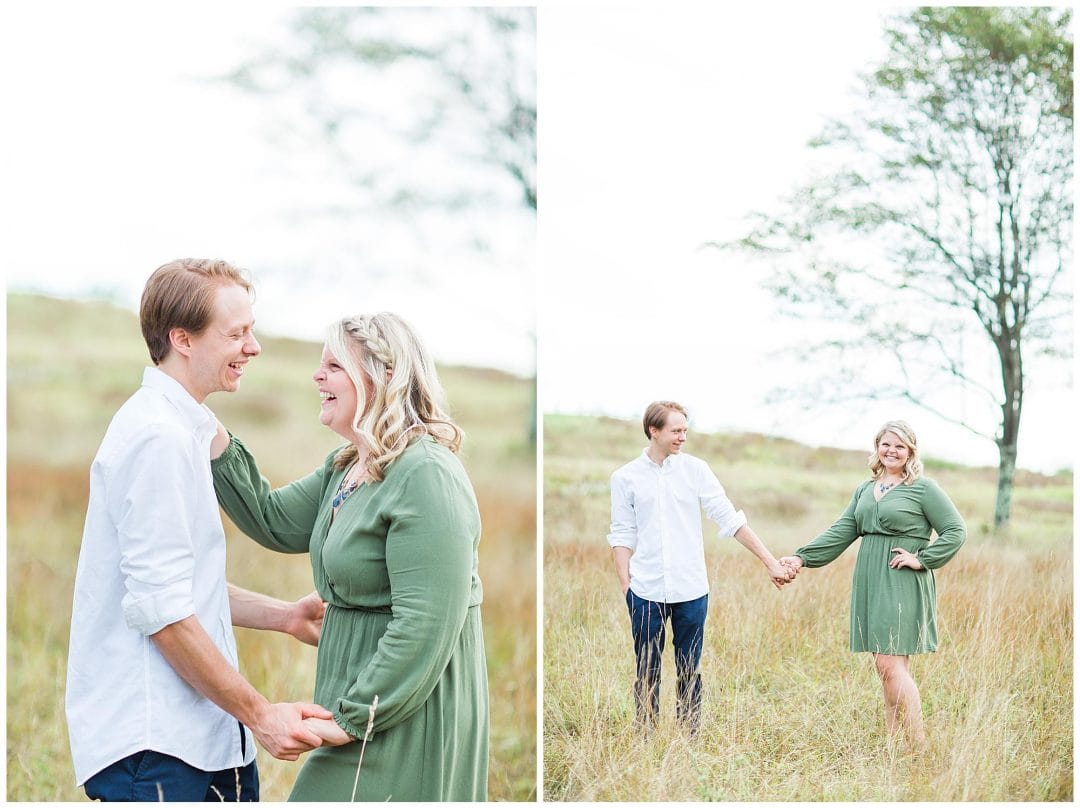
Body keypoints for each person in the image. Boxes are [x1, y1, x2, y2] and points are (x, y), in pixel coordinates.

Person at [65, 258, 332, 802]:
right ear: (182, 339)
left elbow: (179, 586)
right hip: (156, 750)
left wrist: (283, 616)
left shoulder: (186, 428)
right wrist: (262, 715)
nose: (253, 347)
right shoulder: (156, 438)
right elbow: (163, 613)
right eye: (236, 333)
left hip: (202, 741)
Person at [210, 312, 488, 801]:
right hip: (360, 699)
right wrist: (203, 427)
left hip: (408, 706)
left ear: (381, 377)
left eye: (334, 365)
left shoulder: (426, 474)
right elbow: (273, 519)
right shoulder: (347, 467)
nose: (317, 377)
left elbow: (425, 623)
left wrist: (354, 717)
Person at [608, 400, 793, 733]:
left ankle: (687, 737)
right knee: (647, 667)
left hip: (691, 588)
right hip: (645, 590)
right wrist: (626, 585)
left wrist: (769, 562)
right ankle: (645, 738)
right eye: (676, 431)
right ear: (654, 430)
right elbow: (622, 532)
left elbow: (729, 518)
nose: (682, 437)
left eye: (685, 431)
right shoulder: (625, 478)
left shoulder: (696, 470)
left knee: (688, 667)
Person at [779, 420, 966, 746]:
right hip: (870, 578)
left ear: (911, 451)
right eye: (886, 444)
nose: (892, 451)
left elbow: (955, 530)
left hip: (902, 579)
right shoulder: (866, 489)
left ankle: (919, 746)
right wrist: (802, 557)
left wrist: (922, 559)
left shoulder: (923, 488)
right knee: (890, 667)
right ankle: (895, 745)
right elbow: (842, 530)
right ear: (877, 448)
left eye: (900, 446)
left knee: (888, 663)